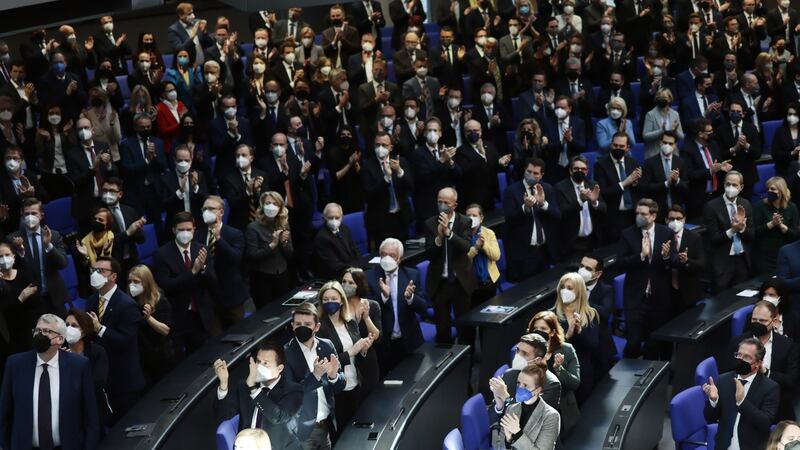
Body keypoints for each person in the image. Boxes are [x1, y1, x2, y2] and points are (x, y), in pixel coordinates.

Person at [0, 314, 99, 450]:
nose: (40, 335)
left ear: (60, 339)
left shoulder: (79, 366)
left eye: (46, 331)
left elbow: (91, 416)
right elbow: (5, 413)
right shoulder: (15, 364)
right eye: (37, 330)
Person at [84, 256, 144, 422]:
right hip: (101, 376)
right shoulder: (91, 301)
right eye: (93, 270)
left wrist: (100, 329)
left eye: (101, 271)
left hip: (123, 379)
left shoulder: (127, 304)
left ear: (113, 276)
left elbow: (126, 340)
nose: (95, 274)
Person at [214, 341, 303, 450]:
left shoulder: (293, 390)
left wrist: (254, 390)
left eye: (265, 363)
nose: (259, 367)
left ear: (279, 368)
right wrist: (223, 384)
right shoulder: (244, 386)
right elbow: (223, 415)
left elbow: (278, 416)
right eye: (258, 361)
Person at [282, 302, 346, 450]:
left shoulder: (327, 346)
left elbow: (340, 385)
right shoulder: (285, 354)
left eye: (307, 324)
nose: (301, 327)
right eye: (298, 323)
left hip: (326, 425)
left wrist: (333, 375)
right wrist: (315, 375)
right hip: (301, 431)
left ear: (316, 327)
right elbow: (292, 394)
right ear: (292, 326)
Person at [152, 211, 216, 356]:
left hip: (200, 313)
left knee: (202, 354)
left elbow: (212, 282)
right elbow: (167, 286)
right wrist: (192, 272)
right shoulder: (162, 254)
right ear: (174, 230)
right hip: (177, 314)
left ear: (194, 229)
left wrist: (203, 268)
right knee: (179, 358)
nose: (185, 233)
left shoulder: (202, 249)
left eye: (189, 229)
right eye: (181, 230)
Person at [617, 198, 674, 359]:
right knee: (633, 341)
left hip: (658, 297)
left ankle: (647, 380)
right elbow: (620, 263)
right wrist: (641, 255)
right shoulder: (628, 234)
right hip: (635, 297)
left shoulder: (666, 232)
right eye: (637, 213)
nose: (639, 217)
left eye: (643, 214)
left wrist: (665, 256)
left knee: (653, 343)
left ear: (653, 216)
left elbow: (673, 260)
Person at [316, 281, 374, 433]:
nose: (330, 303)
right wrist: (351, 352)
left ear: (341, 300)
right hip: (336, 390)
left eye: (334, 299)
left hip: (355, 382)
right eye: (326, 299)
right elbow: (326, 364)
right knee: (341, 432)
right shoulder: (319, 328)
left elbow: (358, 353)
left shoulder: (350, 322)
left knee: (354, 429)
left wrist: (363, 350)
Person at [725, 301, 798, 420]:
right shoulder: (737, 342)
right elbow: (728, 373)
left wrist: (766, 372)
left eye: (762, 321)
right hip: (743, 400)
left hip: (777, 404)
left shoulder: (787, 345)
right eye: (754, 320)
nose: (757, 324)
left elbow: (791, 381)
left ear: (774, 321)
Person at [702, 337, 780, 450]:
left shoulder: (770, 387)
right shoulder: (723, 380)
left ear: (759, 363)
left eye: (747, 357)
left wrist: (741, 402)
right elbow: (710, 418)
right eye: (739, 355)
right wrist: (713, 400)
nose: (741, 360)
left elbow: (765, 423)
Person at [366, 238, 426, 374]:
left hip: (408, 342)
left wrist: (410, 297)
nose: (387, 258)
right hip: (383, 345)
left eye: (392, 255)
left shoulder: (412, 274)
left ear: (400, 258)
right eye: (383, 254)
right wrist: (383, 297)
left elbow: (423, 308)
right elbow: (366, 312)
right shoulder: (369, 277)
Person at [425, 187, 477, 345]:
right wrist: (439, 237)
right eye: (439, 202)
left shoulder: (465, 221)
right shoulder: (430, 223)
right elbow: (429, 254)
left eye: (446, 202)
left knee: (465, 328)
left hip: (461, 283)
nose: (442, 205)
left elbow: (466, 246)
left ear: (454, 205)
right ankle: (445, 364)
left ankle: (467, 361)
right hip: (440, 284)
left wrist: (449, 233)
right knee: (442, 329)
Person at [7, 197, 69, 318]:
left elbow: (62, 264)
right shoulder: (12, 239)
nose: (30, 217)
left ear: (41, 215)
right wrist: (19, 251)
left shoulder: (54, 235)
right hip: (30, 301)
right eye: (27, 214)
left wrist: (48, 245)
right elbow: (9, 270)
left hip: (54, 297)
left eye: (34, 213)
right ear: (22, 215)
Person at [503, 158, 562, 281]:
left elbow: (557, 215)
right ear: (524, 170)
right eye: (529, 171)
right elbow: (509, 219)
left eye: (535, 173)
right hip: (524, 253)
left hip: (544, 250)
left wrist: (543, 204)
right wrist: (525, 208)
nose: (531, 175)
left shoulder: (548, 189)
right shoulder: (511, 191)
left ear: (541, 175)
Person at [197, 195, 247, 327]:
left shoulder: (235, 234)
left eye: (211, 208)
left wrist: (219, 238)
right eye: (204, 209)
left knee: (239, 334)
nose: (207, 212)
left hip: (231, 294)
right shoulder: (197, 235)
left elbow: (235, 259)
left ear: (221, 212)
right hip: (209, 296)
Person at [528, 310, 581, 435]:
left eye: (543, 328)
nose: (538, 332)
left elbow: (575, 383)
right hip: (533, 411)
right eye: (535, 328)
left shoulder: (566, 350)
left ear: (552, 332)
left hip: (561, 411)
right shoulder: (526, 350)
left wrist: (559, 369)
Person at [553, 272, 600, 402]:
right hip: (559, 373)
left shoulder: (591, 314)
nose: (564, 291)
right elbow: (549, 348)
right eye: (562, 287)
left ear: (579, 291)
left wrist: (579, 331)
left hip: (583, 372)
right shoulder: (551, 316)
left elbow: (593, 345)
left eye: (569, 288)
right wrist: (567, 335)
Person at [362, 131, 414, 250]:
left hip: (401, 218)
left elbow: (411, 187)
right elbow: (368, 194)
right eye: (377, 145)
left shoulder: (401, 161)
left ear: (391, 147)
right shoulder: (367, 166)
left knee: (403, 254)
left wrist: (400, 171)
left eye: (384, 145)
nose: (380, 148)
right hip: (380, 221)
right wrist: (386, 178)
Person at [703, 171, 754, 292]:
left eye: (734, 185)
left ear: (741, 187)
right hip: (722, 263)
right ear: (724, 184)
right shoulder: (711, 206)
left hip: (742, 260)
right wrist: (733, 230)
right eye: (728, 184)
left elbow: (752, 235)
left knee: (740, 298)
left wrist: (742, 228)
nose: (730, 187)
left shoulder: (745, 204)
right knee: (721, 302)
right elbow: (714, 238)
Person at [489, 364, 560, 450]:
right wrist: (508, 440)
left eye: (526, 385)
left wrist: (518, 433)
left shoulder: (551, 416)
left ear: (538, 390)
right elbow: (500, 446)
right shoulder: (511, 408)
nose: (520, 388)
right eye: (519, 383)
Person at [65, 308, 112, 429]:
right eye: (66, 325)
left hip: (94, 409)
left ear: (84, 331)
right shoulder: (59, 354)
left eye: (74, 325)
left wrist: (75, 365)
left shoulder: (97, 352)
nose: (69, 329)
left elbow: (98, 382)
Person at [127, 264, 174, 386]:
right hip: (142, 355)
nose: (132, 285)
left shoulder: (160, 300)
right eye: (130, 281)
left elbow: (165, 330)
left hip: (160, 354)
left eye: (136, 282)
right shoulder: (131, 302)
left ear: (146, 282)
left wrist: (148, 318)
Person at [490, 333, 562, 411]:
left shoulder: (551, 385)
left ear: (537, 360)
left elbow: (532, 417)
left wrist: (506, 398)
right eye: (517, 350)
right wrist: (499, 408)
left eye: (524, 354)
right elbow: (493, 414)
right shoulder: (509, 374)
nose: (518, 356)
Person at [245, 191, 292, 308]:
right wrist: (273, 244)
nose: (271, 206)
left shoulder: (284, 224)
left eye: (275, 204)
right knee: (265, 312)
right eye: (268, 203)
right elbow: (252, 255)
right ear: (262, 206)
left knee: (281, 309)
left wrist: (284, 243)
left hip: (281, 273)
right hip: (262, 276)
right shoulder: (253, 227)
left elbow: (290, 253)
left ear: (280, 207)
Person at [555, 155, 607, 261]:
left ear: (587, 172)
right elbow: (561, 212)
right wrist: (580, 201)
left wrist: (594, 202)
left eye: (583, 169)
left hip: (592, 241)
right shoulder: (560, 187)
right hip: (572, 242)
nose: (580, 171)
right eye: (576, 169)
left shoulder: (593, 185)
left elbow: (604, 208)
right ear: (570, 171)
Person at [594, 132, 642, 243]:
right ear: (611, 145)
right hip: (613, 216)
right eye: (615, 145)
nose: (618, 148)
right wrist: (625, 183)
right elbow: (603, 193)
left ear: (627, 148)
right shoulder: (600, 165)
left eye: (621, 146)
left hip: (632, 213)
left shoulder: (633, 162)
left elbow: (639, 188)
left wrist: (635, 182)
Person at [341, 268, 381, 395]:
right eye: (344, 282)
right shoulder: (338, 307)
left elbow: (378, 337)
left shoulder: (372, 305)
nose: (346, 285)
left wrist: (366, 317)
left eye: (351, 283)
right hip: (347, 364)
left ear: (359, 285)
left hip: (367, 363)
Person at [578, 254, 617, 382]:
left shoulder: (606, 290)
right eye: (582, 266)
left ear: (598, 273)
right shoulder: (572, 287)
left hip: (600, 346)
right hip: (580, 345)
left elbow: (605, 313)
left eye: (588, 269)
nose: (583, 270)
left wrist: (583, 302)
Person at [664, 204, 707, 313]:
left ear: (684, 219)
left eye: (678, 219)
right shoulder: (661, 237)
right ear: (666, 220)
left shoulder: (694, 237)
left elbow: (702, 264)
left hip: (689, 290)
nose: (675, 222)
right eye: (671, 219)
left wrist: (687, 261)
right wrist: (665, 256)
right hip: (667, 291)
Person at [753, 177, 800, 275]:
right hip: (764, 256)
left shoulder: (792, 207)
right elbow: (754, 232)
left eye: (773, 189)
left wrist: (783, 227)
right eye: (768, 189)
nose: (769, 191)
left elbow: (796, 234)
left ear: (781, 191)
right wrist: (771, 224)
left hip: (785, 255)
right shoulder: (760, 206)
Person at [641, 130, 689, 220]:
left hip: (676, 210)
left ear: (675, 145)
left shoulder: (681, 162)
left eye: (671, 143)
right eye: (665, 142)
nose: (667, 145)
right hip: (657, 209)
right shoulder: (649, 163)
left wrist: (677, 180)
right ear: (660, 143)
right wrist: (666, 183)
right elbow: (646, 187)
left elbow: (686, 186)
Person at [313, 203, 361, 279]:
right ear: (324, 218)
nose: (334, 220)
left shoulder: (345, 229)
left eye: (337, 217)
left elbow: (355, 250)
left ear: (342, 217)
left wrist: (360, 264)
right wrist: (353, 269)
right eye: (330, 218)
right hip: (336, 275)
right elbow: (333, 265)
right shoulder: (322, 237)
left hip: (352, 269)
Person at [465, 204, 500, 306]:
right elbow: (463, 260)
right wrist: (476, 248)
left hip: (489, 282)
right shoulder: (461, 235)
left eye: (474, 215)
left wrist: (483, 245)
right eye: (468, 216)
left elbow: (496, 256)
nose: (471, 218)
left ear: (481, 218)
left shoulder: (489, 233)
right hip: (471, 284)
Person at [642, 88, 684, 159]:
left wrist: (675, 131)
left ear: (670, 99)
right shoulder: (650, 114)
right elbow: (645, 136)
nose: (661, 99)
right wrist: (661, 131)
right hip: (655, 153)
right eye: (659, 97)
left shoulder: (675, 114)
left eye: (664, 97)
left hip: (672, 153)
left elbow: (681, 137)